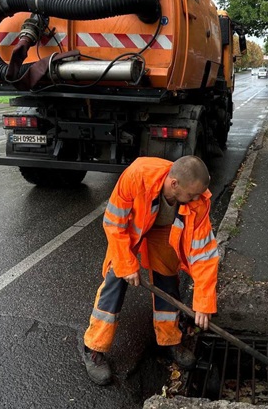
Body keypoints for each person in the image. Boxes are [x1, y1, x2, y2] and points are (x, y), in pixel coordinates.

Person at [83, 155, 219, 385]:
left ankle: (169, 340)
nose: (196, 198)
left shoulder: (198, 200)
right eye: (191, 194)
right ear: (174, 183)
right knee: (116, 279)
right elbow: (114, 224)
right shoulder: (137, 175)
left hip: (163, 230)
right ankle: (94, 347)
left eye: (198, 194)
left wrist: (203, 302)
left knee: (167, 276)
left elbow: (204, 253)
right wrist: (127, 264)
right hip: (130, 229)